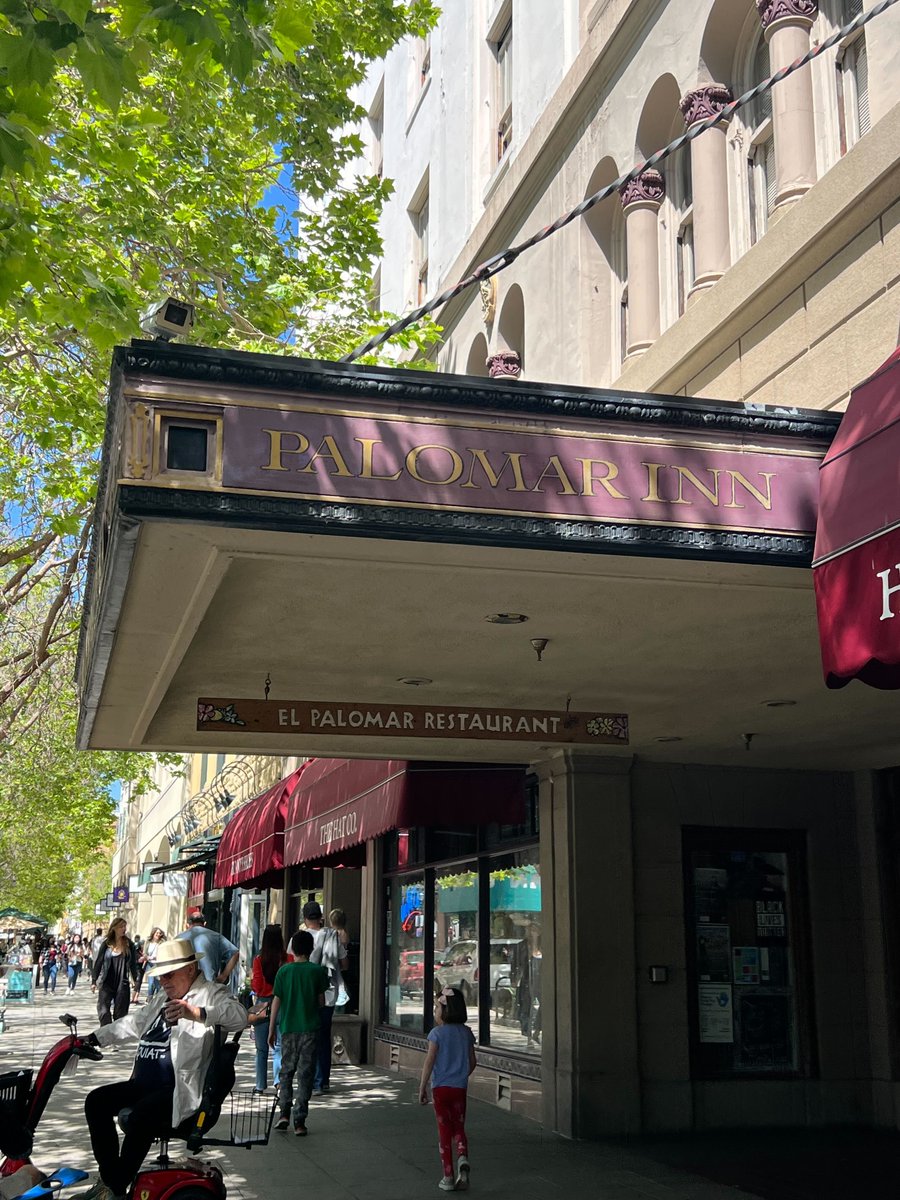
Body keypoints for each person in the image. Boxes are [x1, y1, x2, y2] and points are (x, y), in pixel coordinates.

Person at [79, 939, 248, 1200]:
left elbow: (239, 1017)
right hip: (145, 1084)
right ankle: (111, 1180)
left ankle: (113, 1186)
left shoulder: (211, 993)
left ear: (190, 969)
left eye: (169, 975)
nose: (164, 982)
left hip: (177, 1092)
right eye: (161, 976)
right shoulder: (162, 997)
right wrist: (94, 1038)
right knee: (96, 1102)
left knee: (140, 1116)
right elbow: (134, 1023)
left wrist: (195, 1012)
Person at [268, 930, 326, 1138]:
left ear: (292, 949)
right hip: (310, 1028)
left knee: (286, 1072)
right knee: (305, 1074)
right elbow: (321, 1001)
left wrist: (272, 1026)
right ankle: (299, 1120)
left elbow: (277, 1000)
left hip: (289, 1029)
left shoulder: (284, 972)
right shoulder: (318, 972)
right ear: (311, 949)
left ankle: (283, 1113)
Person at [419, 986, 476, 1193]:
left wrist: (423, 1086)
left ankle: (448, 1176)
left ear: (445, 1010)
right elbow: (472, 1061)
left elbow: (429, 1062)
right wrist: (461, 1075)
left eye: (436, 1008)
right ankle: (462, 1156)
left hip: (440, 1089)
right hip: (459, 1088)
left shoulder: (436, 1034)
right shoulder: (466, 1033)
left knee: (444, 1131)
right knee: (459, 1127)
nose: (435, 1012)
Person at [301, 901, 348, 1093]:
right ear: (320, 916)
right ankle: (323, 1081)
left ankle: (310, 1080)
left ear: (305, 918)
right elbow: (345, 964)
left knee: (307, 1038)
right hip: (328, 993)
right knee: (323, 1037)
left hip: (307, 994)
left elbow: (291, 963)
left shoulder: (299, 938)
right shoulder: (332, 936)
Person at [249, 925, 287, 1094]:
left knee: (261, 1048)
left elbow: (256, 986)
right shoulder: (288, 959)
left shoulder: (258, 960)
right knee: (278, 1046)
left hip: (263, 1005)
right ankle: (278, 1082)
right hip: (283, 1004)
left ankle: (260, 1085)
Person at [92, 919, 140, 1026]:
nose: (123, 929)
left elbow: (132, 964)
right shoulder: (107, 944)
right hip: (107, 981)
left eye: (124, 926)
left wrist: (136, 980)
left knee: (120, 1014)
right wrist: (94, 980)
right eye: (120, 927)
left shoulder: (129, 944)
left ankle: (116, 1037)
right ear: (114, 928)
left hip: (122, 982)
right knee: (103, 1011)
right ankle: (106, 1032)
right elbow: (99, 962)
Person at [176, 912, 239, 985]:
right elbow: (235, 953)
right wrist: (223, 976)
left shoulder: (178, 939)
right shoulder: (216, 937)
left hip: (183, 985)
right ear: (205, 924)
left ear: (187, 925)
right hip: (208, 986)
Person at [142, 928, 166, 999]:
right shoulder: (148, 942)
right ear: (153, 933)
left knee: (158, 983)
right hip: (150, 964)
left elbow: (164, 952)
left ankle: (158, 999)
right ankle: (150, 998)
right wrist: (147, 957)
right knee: (151, 983)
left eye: (159, 933)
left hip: (158, 964)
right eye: (157, 933)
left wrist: (157, 957)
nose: (158, 934)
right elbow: (144, 953)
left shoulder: (162, 942)